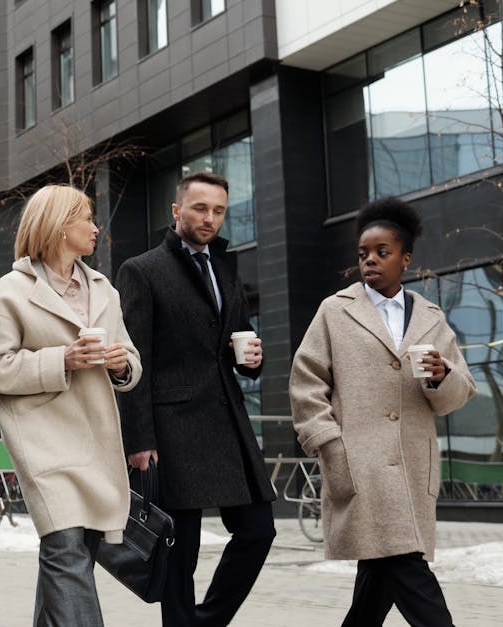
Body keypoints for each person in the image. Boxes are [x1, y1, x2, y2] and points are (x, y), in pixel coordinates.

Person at [290, 198, 475, 627]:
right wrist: (330, 445)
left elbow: (459, 391)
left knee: (380, 573)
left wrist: (440, 375)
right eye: (363, 254)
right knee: (406, 566)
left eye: (382, 252)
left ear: (405, 259)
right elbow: (305, 384)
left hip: (412, 469)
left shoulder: (431, 318)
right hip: (359, 466)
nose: (370, 260)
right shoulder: (335, 311)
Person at [114, 171, 276, 626]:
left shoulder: (226, 266)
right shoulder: (141, 270)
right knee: (179, 552)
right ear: (177, 210)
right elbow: (134, 362)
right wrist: (139, 439)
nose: (210, 218)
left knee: (258, 531)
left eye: (219, 211)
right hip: (172, 430)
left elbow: (238, 342)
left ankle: (204, 621)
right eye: (200, 208)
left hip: (228, 423)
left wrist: (252, 360)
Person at [0, 185, 141, 626]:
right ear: (58, 224)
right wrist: (62, 359)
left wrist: (121, 364)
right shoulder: (12, 290)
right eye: (86, 218)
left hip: (95, 440)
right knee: (65, 546)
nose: (95, 227)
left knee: (76, 551)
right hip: (43, 440)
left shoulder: (104, 289)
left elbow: (130, 359)